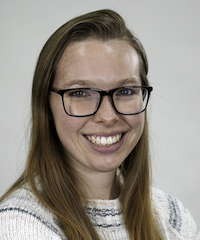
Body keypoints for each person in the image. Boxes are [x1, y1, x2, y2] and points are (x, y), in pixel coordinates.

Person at [0, 9, 199, 240]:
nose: (108, 116)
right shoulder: (17, 228)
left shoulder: (174, 218)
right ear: (46, 106)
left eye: (125, 91)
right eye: (81, 92)